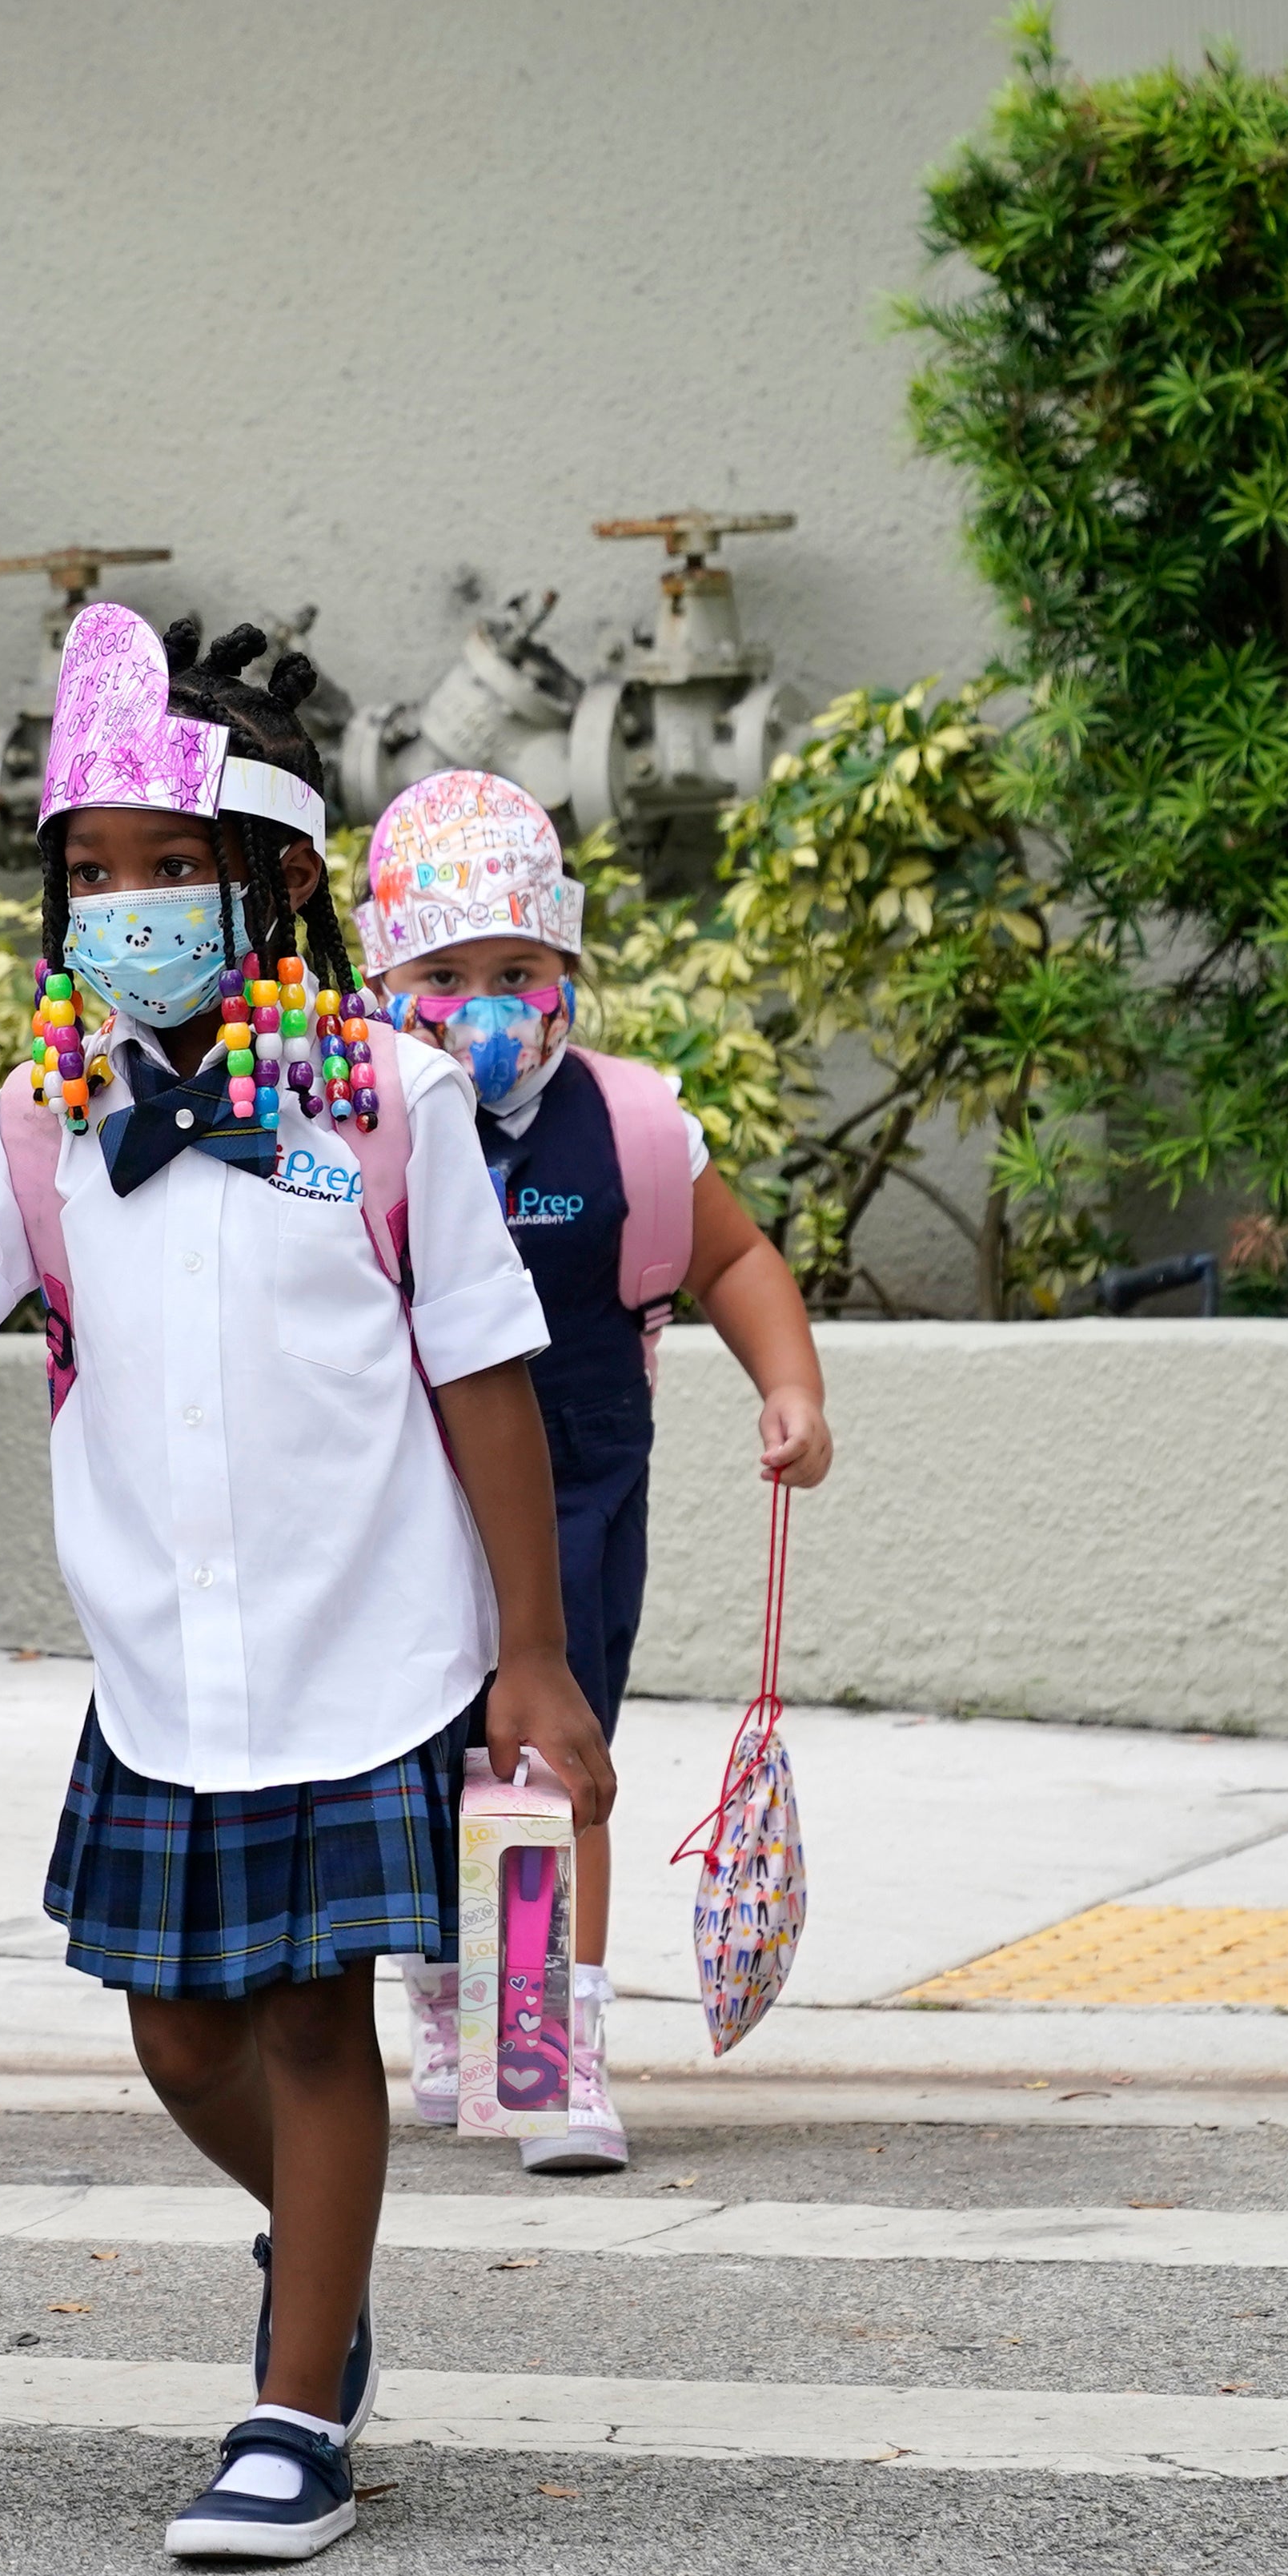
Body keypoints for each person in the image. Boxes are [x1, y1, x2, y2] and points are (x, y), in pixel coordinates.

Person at [0, 609, 612, 2566]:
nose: (121, 907)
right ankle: (320, 2273)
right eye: (85, 874)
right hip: (165, 1664)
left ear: (270, 877)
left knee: (305, 2017)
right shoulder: (44, 1124)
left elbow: (487, 1378)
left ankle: (293, 2412)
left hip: (365, 1646)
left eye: (162, 868)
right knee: (177, 2035)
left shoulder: (388, 1098)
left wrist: (536, 1654)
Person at [353, 772, 834, 2176]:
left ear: (566, 966)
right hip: (393, 1502)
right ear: (387, 977)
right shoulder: (355, 1120)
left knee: (546, 1770)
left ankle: (542, 2047)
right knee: (416, 1771)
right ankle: (448, 2000)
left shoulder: (629, 1129)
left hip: (572, 1498)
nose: (486, 1002)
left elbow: (731, 1257)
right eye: (442, 974)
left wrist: (788, 1386)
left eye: (517, 968)